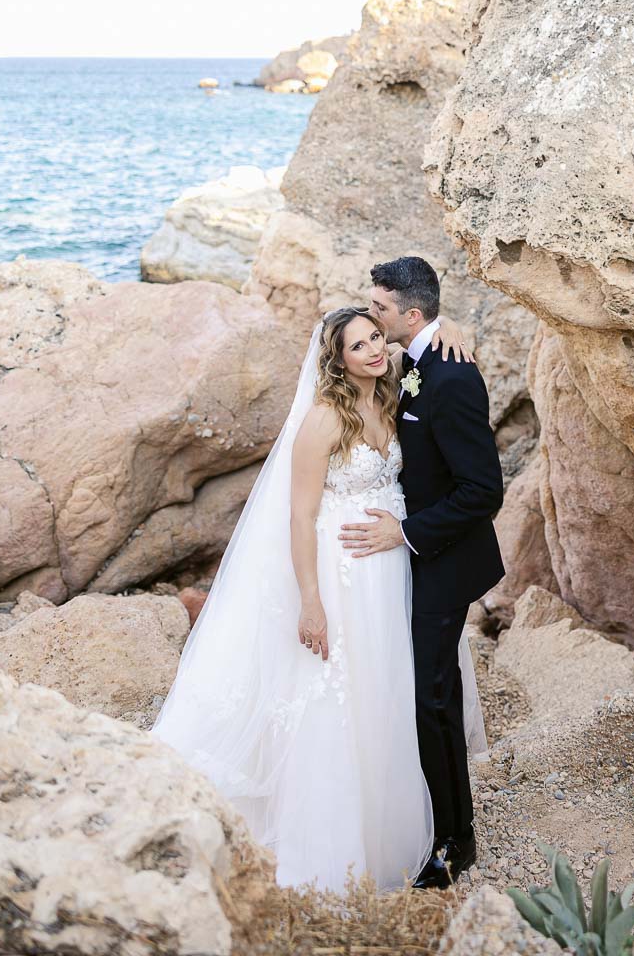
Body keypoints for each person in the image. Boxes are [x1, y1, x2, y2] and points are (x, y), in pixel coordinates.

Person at [152, 302, 485, 892]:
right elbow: (300, 516)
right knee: (339, 691)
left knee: (389, 687)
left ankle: (401, 819)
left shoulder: (391, 388)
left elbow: (426, 339)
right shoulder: (324, 419)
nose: (374, 349)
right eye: (358, 345)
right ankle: (339, 837)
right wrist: (311, 601)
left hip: (394, 568)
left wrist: (450, 327)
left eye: (376, 337)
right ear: (337, 359)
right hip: (342, 572)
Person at [342, 255, 505, 889]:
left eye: (379, 308)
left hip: (440, 559)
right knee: (426, 691)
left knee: (433, 698)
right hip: (411, 558)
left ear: (411, 315)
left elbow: (482, 490)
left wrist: (404, 533)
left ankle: (454, 842)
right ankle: (432, 817)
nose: (371, 317)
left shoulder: (452, 376)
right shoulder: (414, 358)